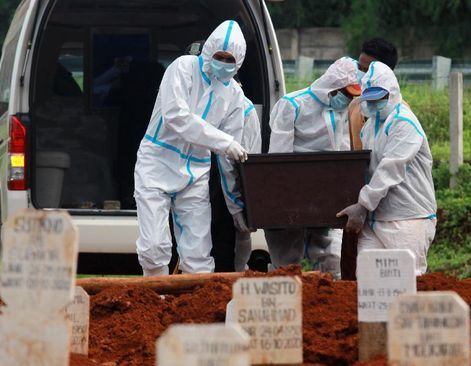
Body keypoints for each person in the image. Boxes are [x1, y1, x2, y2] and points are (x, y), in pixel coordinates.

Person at [134, 20, 250, 276]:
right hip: (158, 163)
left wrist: (236, 206)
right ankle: (155, 304)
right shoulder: (182, 69)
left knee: (198, 256)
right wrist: (224, 142)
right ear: (208, 50)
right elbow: (176, 117)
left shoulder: (234, 96)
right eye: (219, 56)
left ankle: (195, 309)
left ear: (239, 61)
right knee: (154, 248)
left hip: (196, 172)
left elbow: (228, 159)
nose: (223, 63)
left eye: (230, 59)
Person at [337, 61, 437, 276]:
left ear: (392, 94)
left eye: (379, 99)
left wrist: (362, 205)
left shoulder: (404, 123)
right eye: (370, 100)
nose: (374, 105)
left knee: (408, 281)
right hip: (375, 218)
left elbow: (389, 170)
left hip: (407, 219)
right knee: (368, 281)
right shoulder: (371, 126)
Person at [266, 57, 360, 278]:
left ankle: (331, 302)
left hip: (327, 192)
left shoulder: (342, 112)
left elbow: (344, 150)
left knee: (331, 257)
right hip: (293, 192)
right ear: (332, 87)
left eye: (352, 95)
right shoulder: (293, 105)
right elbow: (279, 156)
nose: (348, 99)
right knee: (286, 261)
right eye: (346, 93)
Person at [349, 38, 399, 150]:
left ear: (384, 73)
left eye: (366, 70)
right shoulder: (354, 106)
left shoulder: (398, 113)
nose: (361, 76)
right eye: (359, 69)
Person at [233, 97, 262, 272]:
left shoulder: (245, 107)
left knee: (241, 232)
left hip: (237, 176)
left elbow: (250, 153)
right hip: (210, 180)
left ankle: (238, 272)